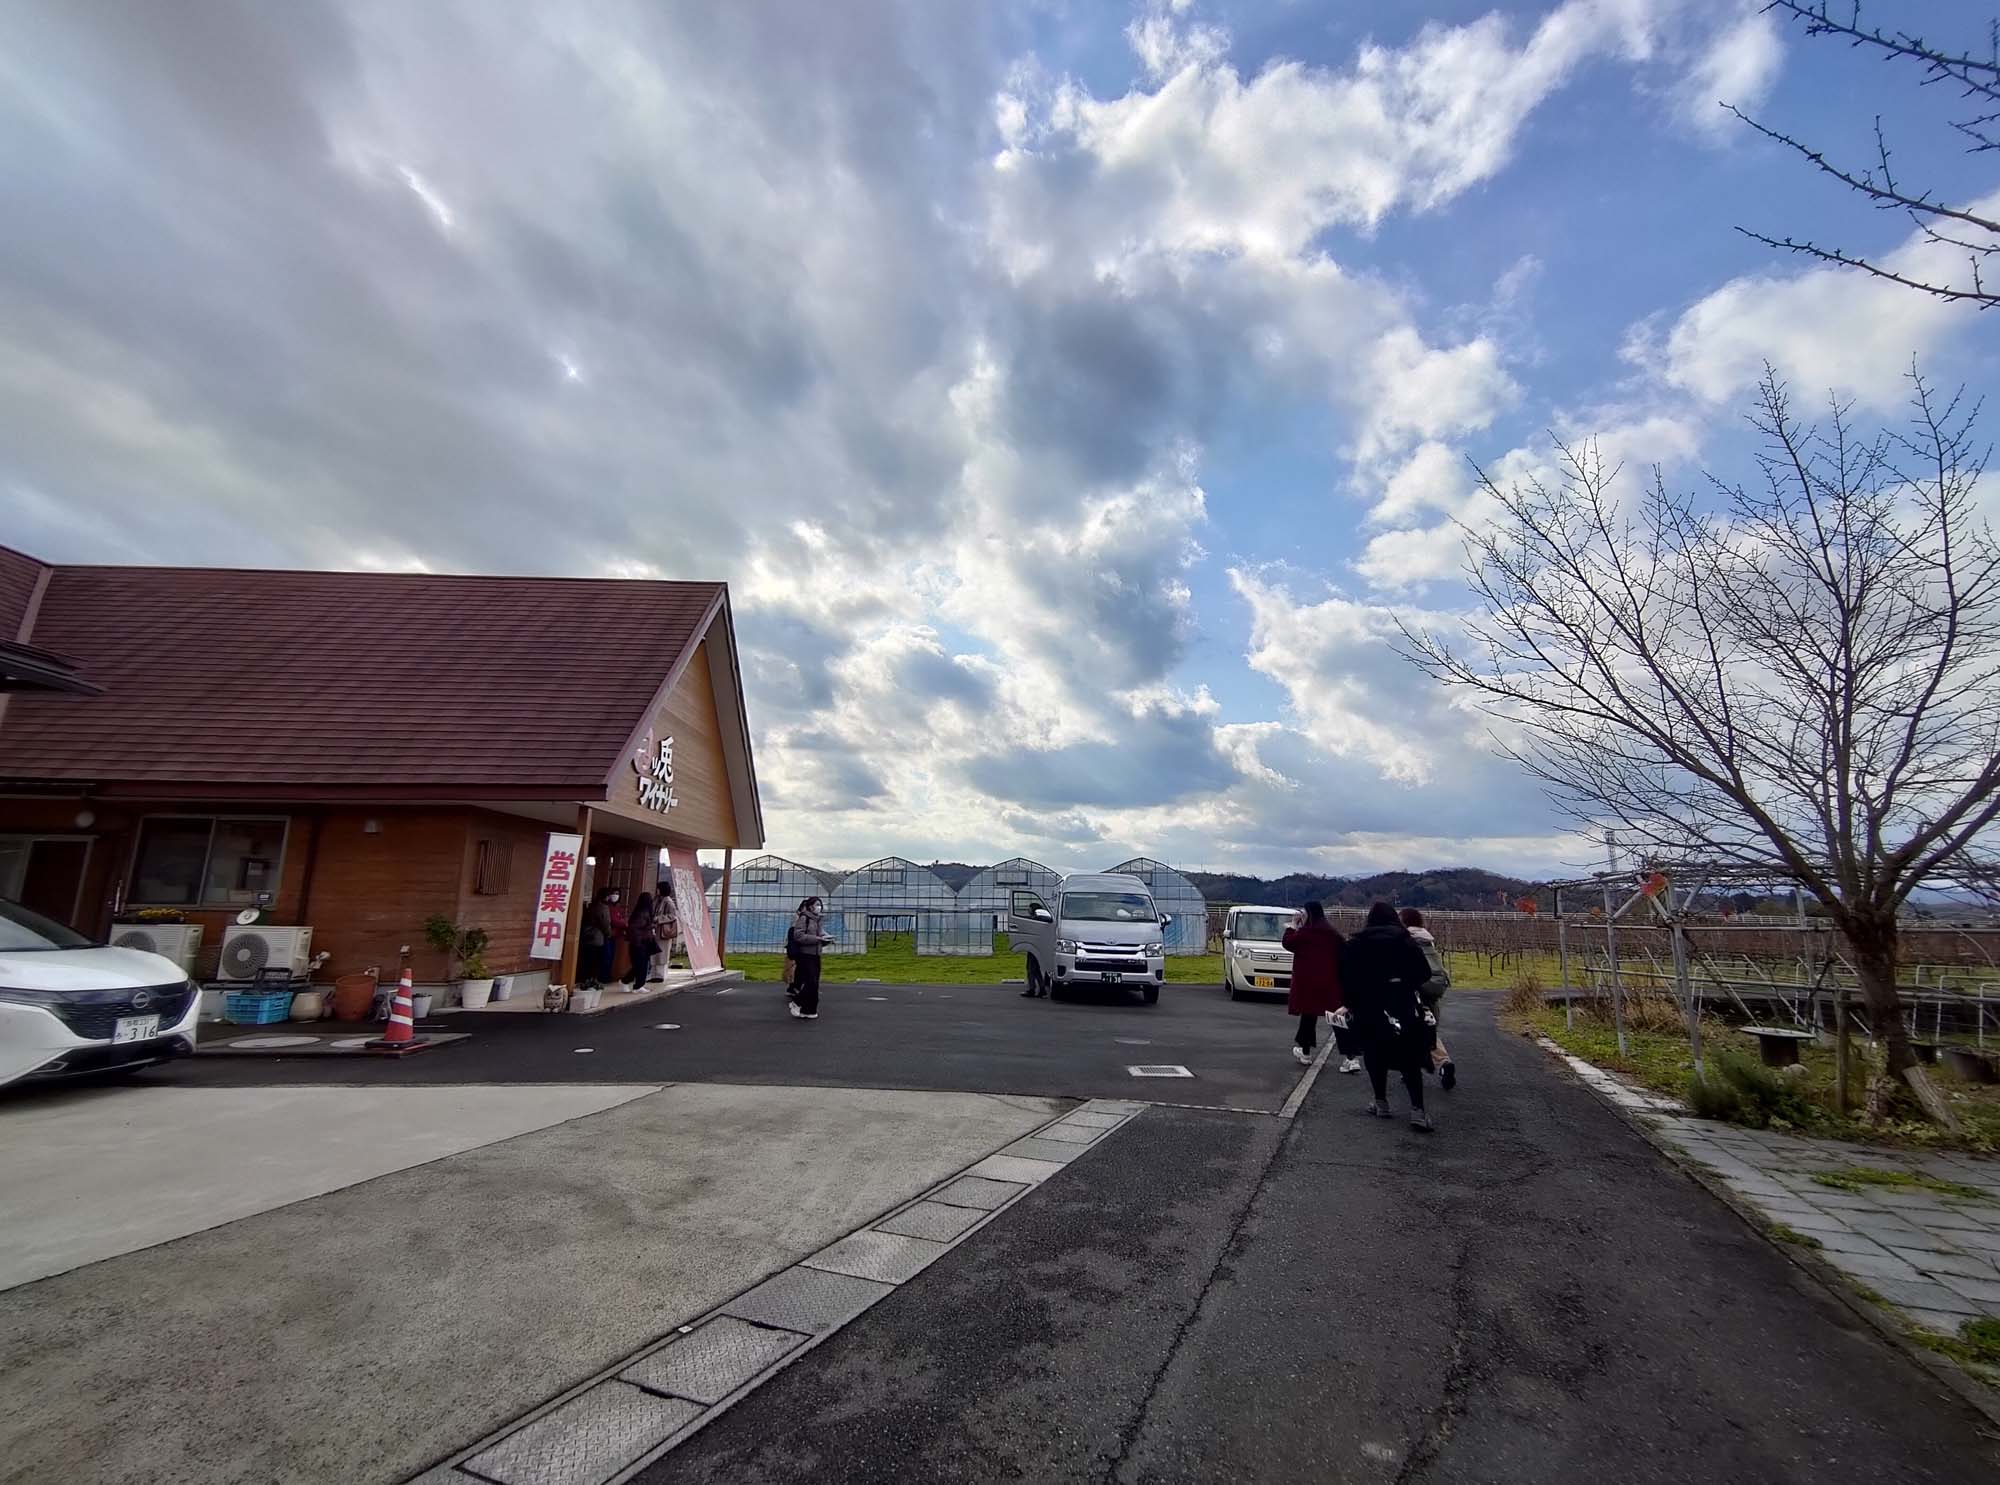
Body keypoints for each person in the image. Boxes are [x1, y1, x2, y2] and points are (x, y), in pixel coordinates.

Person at [1339, 900, 1436, 1133]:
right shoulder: (1406, 942)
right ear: (1394, 918)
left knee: (1374, 1054)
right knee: (1409, 1058)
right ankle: (1418, 1111)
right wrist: (1404, 985)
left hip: (1368, 1008)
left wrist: (1351, 1004)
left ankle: (1381, 1102)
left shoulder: (1357, 944)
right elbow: (1424, 973)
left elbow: (1345, 977)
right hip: (1402, 1006)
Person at [1280, 901, 1342, 1066]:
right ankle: (1351, 1057)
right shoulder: (1332, 933)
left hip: (1307, 984)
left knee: (1308, 1017)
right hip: (1330, 984)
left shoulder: (1306, 934)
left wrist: (1293, 925)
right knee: (1336, 1018)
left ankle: (1306, 1053)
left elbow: (1288, 942)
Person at [1400, 907, 1456, 1090]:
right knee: (1428, 1031)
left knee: (1409, 1031)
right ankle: (1443, 1063)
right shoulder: (1427, 939)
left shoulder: (1405, 940)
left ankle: (1413, 1068)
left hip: (1414, 992)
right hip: (1432, 993)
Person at [787, 895, 833, 1020]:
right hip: (805, 954)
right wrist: (818, 939)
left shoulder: (817, 920)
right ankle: (797, 1001)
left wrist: (826, 939)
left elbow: (821, 933)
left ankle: (809, 1010)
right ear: (810, 906)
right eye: (816, 905)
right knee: (811, 982)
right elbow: (799, 936)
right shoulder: (804, 918)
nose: (819, 907)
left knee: (815, 983)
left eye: (820, 905)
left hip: (816, 954)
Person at [579, 889, 614, 989]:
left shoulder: (592, 906)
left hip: (586, 935)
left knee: (586, 959)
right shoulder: (603, 907)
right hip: (597, 937)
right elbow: (605, 924)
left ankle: (584, 978)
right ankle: (592, 980)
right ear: (606, 897)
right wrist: (609, 933)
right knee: (596, 960)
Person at [624, 891, 657, 988]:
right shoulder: (643, 913)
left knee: (640, 965)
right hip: (640, 942)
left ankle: (629, 982)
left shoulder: (640, 911)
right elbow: (635, 928)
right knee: (641, 965)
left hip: (642, 941)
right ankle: (638, 985)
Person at [652, 881, 680, 979]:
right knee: (656, 953)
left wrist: (659, 919)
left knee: (662, 953)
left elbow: (673, 916)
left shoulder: (668, 901)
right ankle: (654, 975)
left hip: (663, 931)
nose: (656, 890)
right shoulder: (658, 900)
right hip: (657, 930)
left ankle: (660, 975)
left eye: (658, 888)